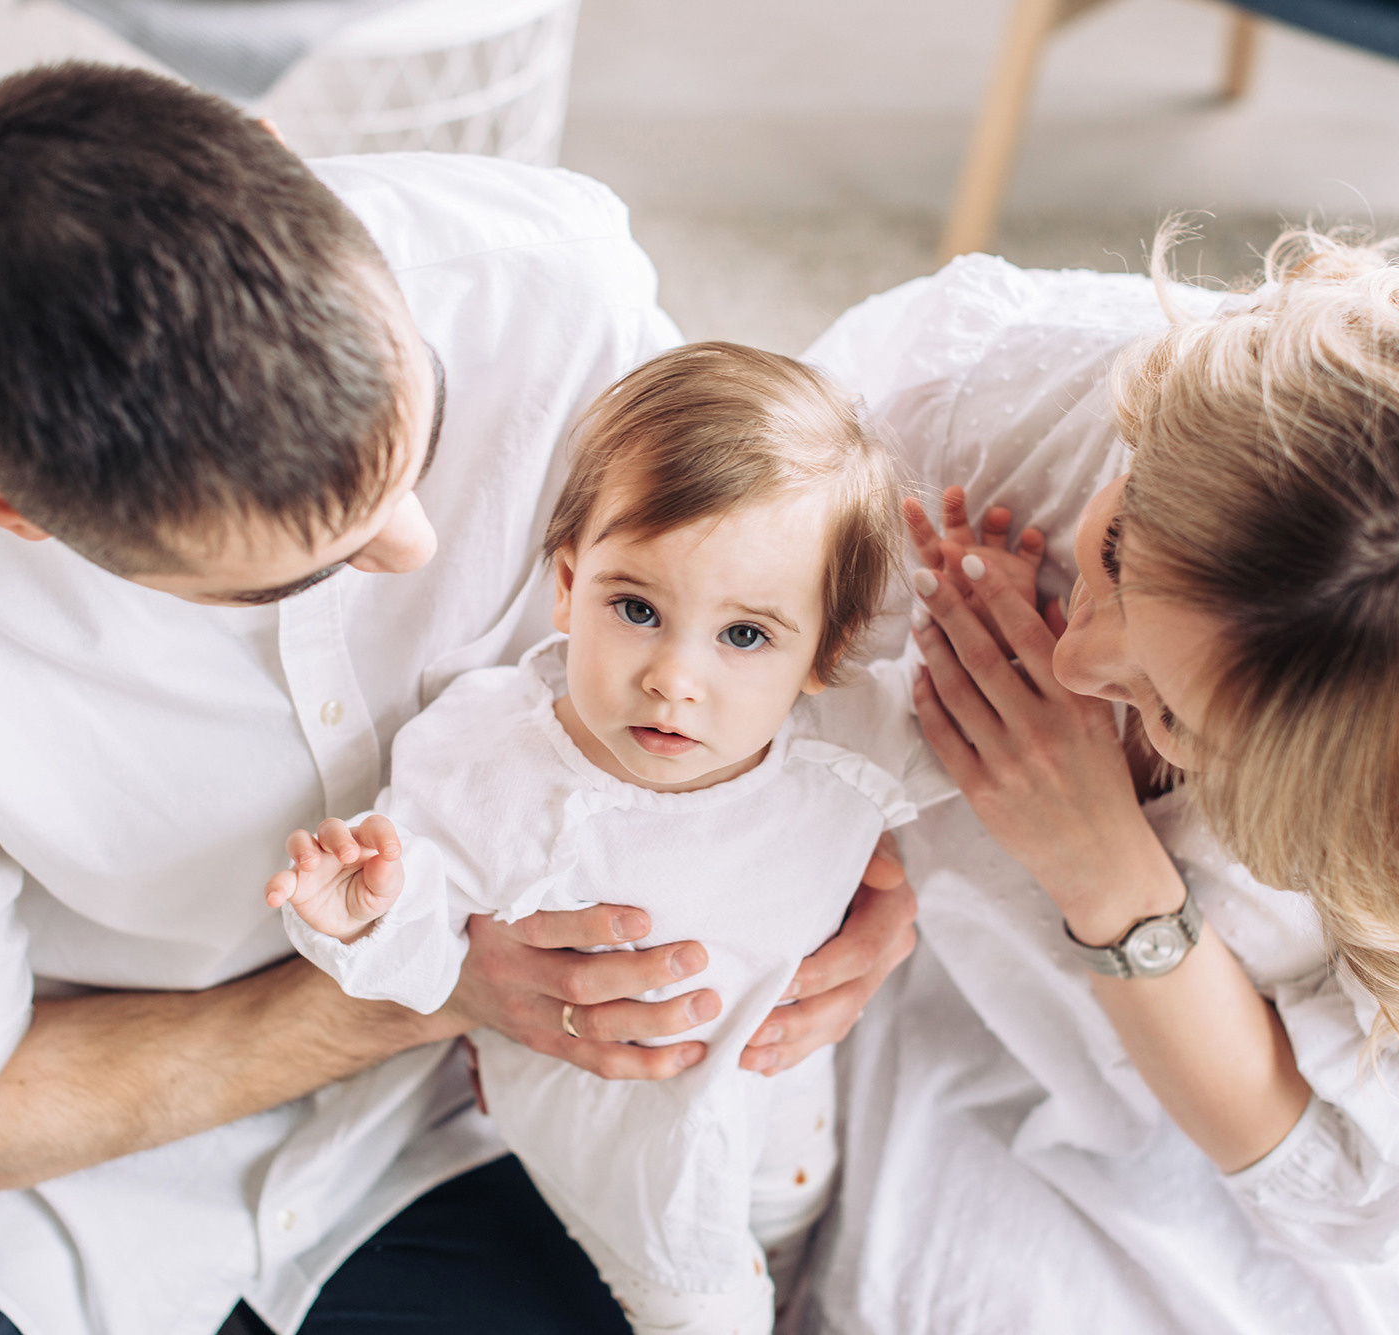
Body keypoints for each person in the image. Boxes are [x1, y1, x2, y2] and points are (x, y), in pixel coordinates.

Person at [0, 64, 915, 1335]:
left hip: (481, 1118)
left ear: (283, 163)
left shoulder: (547, 278)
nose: (411, 548)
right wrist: (437, 983)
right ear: (21, 519)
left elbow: (750, 579)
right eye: (305, 566)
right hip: (95, 1141)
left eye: (415, 435)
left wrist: (868, 875)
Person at [790, 234, 1399, 1334]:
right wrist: (856, 854)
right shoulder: (983, 380)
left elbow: (1327, 1178)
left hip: (1217, 1083)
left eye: (1176, 715)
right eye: (1118, 548)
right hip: (935, 985)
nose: (1074, 666)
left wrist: (1100, 864)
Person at [269, 342, 951, 1335]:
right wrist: (358, 918)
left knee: (798, 1233)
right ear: (565, 585)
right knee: (708, 1305)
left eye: (744, 636)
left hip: (787, 1102)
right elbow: (422, 942)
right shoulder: (490, 756)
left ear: (822, 653)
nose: (674, 677)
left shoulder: (850, 736)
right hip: (628, 1157)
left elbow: (978, 763)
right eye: (635, 609)